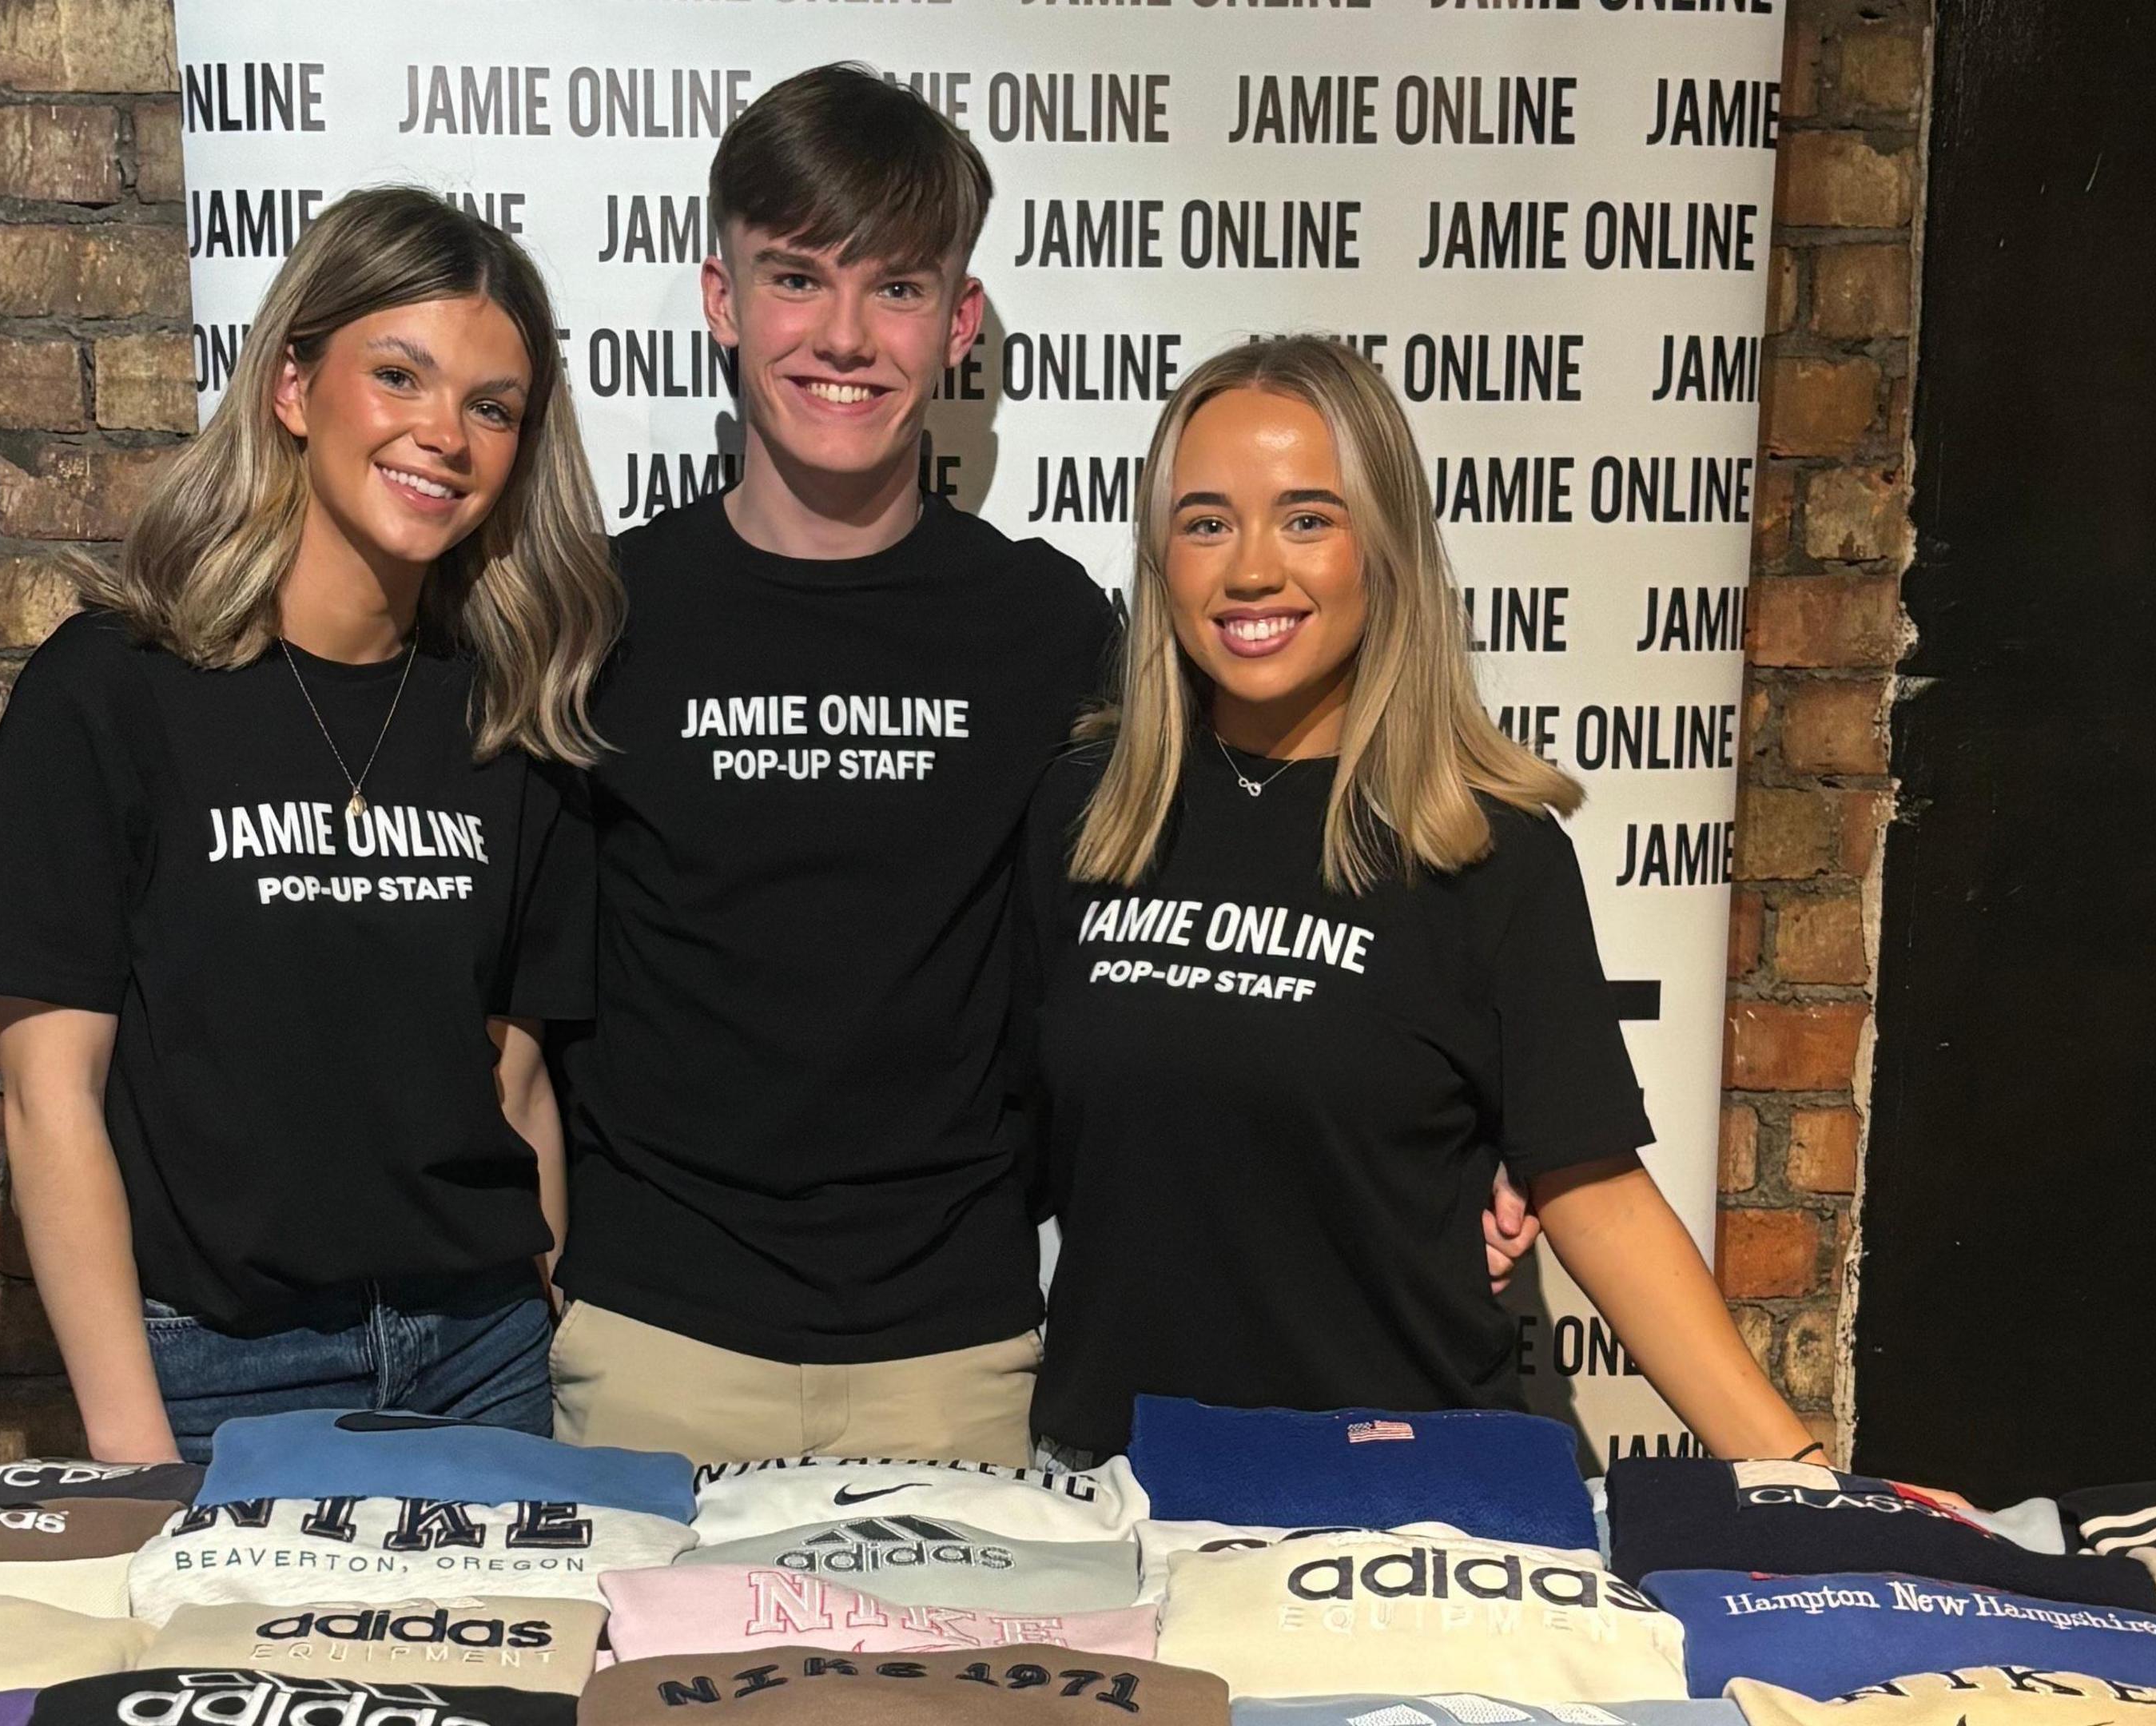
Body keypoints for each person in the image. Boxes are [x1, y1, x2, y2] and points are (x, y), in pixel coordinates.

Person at [549, 67, 1541, 1468]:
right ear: (722, 300)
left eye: (895, 287)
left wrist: (1492, 1127)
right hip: (656, 1349)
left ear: (959, 326)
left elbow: (1267, 892)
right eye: (794, 278)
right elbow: (496, 987)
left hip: (966, 1360)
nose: (843, 335)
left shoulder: (1056, 628)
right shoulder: (598, 616)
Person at [1018, 336, 1820, 1465]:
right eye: (1206, 522)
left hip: (1407, 1494)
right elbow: (1012, 1138)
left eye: (1307, 518)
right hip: (1124, 1489)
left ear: (1383, 546)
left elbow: (1595, 1191)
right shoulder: (1082, 817)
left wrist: (1805, 1484)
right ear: (1160, 558)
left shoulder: (1486, 850)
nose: (1252, 569)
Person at [0, 189, 620, 1463]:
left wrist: (543, 1316)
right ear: (296, 388)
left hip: (482, 1359)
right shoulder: (110, 692)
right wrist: (138, 1456)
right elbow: (50, 1103)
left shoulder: (516, 716)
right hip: (214, 1374)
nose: (446, 435)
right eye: (400, 376)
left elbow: (516, 1079)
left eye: (492, 406)